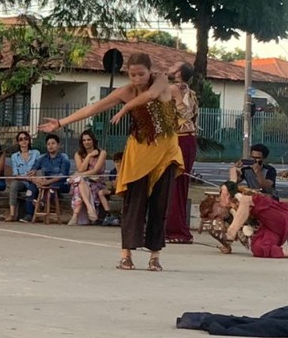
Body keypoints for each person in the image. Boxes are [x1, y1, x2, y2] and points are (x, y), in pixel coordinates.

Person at [41, 52, 182, 270]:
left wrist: (126, 107)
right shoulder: (126, 91)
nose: (137, 79)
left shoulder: (160, 80)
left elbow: (152, 95)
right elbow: (93, 108)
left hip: (166, 151)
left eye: (141, 74)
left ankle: (155, 256)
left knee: (159, 203)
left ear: (150, 70)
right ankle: (126, 255)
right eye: (132, 75)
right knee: (133, 202)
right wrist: (60, 122)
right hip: (139, 151)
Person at [205, 182, 288, 259]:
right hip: (272, 231)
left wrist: (231, 231)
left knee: (245, 200)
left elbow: (247, 200)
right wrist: (226, 246)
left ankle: (231, 231)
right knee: (257, 248)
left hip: (278, 217)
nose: (220, 197)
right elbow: (244, 234)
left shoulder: (244, 196)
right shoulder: (228, 216)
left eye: (222, 193)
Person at [166, 62, 199, 243]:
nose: (168, 68)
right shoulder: (191, 92)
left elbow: (185, 115)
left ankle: (175, 230)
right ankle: (174, 227)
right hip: (188, 140)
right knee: (179, 184)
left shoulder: (173, 89)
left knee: (173, 183)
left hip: (180, 140)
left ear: (178, 73)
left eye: (172, 67)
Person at [69, 130, 109, 225]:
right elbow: (81, 169)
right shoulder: (78, 154)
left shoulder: (102, 153)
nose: (86, 142)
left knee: (79, 183)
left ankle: (75, 216)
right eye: (84, 140)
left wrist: (79, 175)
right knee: (80, 182)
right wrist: (89, 156)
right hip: (83, 182)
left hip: (97, 182)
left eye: (89, 140)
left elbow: (95, 170)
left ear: (93, 140)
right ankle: (89, 208)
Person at [5, 130, 40, 221]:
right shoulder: (14, 156)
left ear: (29, 140)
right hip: (22, 181)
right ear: (18, 142)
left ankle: (31, 214)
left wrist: (34, 175)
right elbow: (15, 175)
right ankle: (12, 214)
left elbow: (39, 167)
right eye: (21, 139)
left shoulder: (36, 153)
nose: (23, 141)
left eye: (25, 138)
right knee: (14, 185)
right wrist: (27, 178)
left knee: (32, 188)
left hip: (34, 181)